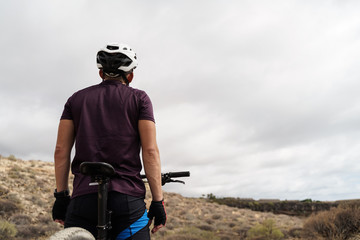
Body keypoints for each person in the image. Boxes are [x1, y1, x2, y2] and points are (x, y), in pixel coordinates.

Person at [52, 43, 166, 239]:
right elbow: (150, 151)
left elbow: (61, 150)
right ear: (130, 75)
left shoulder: (76, 99)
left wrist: (61, 197)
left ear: (100, 73)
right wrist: (158, 201)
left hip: (83, 199)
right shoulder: (140, 99)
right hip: (126, 200)